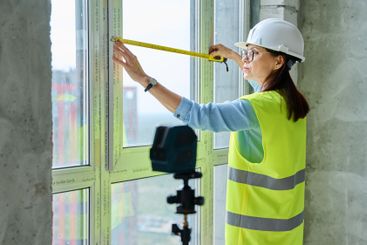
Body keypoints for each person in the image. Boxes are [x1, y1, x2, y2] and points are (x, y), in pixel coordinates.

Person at [113, 18, 309, 245]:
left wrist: (144, 80)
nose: (246, 58)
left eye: (253, 53)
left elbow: (199, 115)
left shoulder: (259, 107)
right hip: (286, 237)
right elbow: (262, 86)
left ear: (278, 61)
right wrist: (235, 57)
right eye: (246, 52)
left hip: (253, 239)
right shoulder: (290, 103)